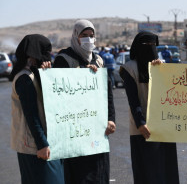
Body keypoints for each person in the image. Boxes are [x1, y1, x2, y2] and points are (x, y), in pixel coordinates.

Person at [53, 19, 116, 184]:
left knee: (99, 172)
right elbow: (58, 94)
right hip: (75, 131)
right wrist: (82, 75)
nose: (89, 39)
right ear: (75, 36)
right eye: (84, 35)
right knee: (79, 175)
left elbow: (107, 93)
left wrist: (111, 119)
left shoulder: (98, 60)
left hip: (97, 128)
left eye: (91, 36)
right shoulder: (64, 59)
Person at [120, 32, 180, 184]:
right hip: (142, 129)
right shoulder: (129, 69)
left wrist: (161, 72)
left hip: (163, 127)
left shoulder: (161, 67)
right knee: (146, 172)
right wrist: (141, 123)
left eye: (154, 45)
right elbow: (133, 100)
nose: (151, 49)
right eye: (147, 45)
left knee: (166, 170)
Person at [10, 34, 64, 184]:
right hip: (34, 146)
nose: (48, 56)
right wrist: (42, 144)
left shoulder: (36, 74)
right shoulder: (25, 78)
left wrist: (47, 76)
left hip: (46, 143)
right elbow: (31, 114)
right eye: (44, 51)